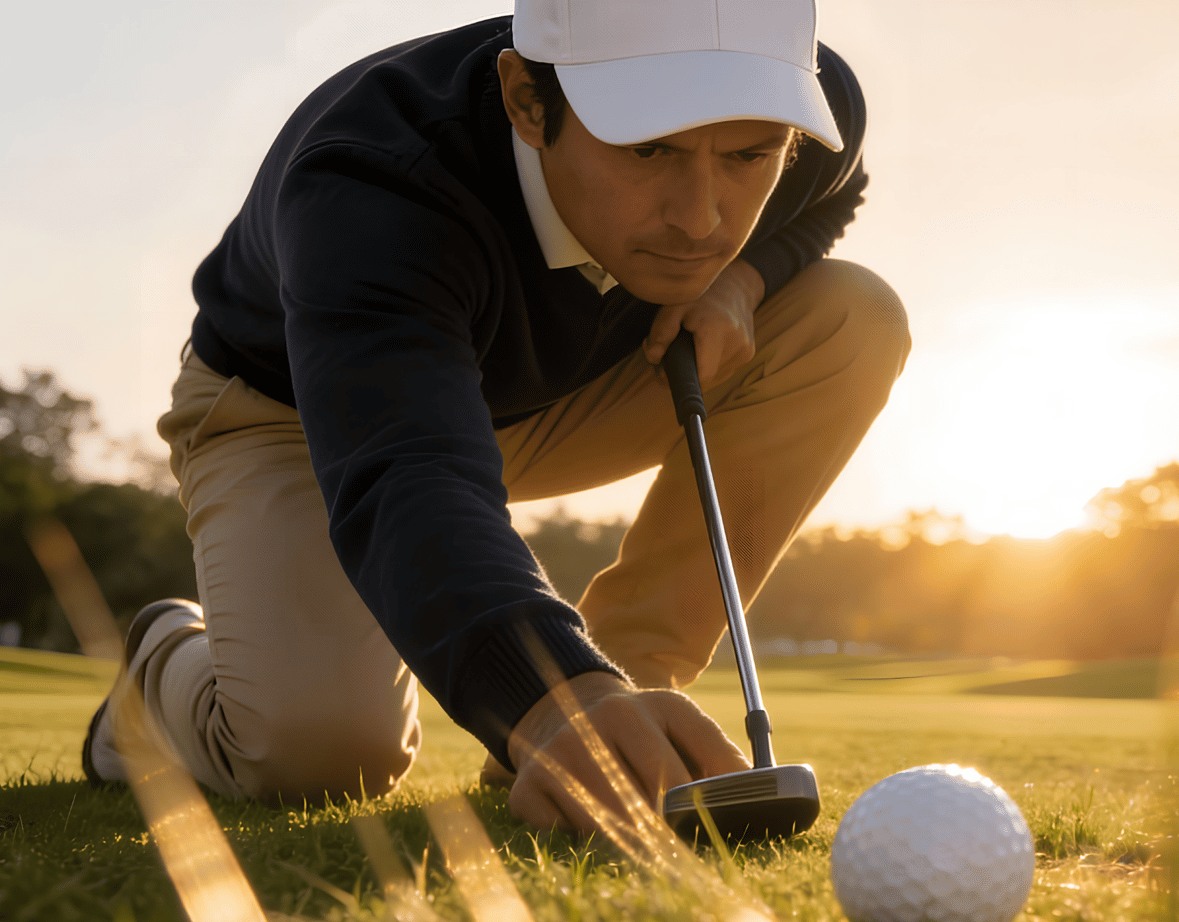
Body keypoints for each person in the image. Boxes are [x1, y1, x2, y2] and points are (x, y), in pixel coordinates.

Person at [81, 0, 909, 836]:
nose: (700, 220)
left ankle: (624, 692)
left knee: (852, 316)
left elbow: (835, 190)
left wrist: (746, 278)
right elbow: (410, 470)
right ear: (525, 98)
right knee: (322, 757)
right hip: (301, 416)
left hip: (559, 400)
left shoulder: (808, 99)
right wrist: (547, 696)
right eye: (647, 147)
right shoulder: (373, 177)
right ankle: (159, 674)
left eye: (747, 156)